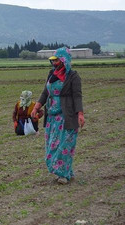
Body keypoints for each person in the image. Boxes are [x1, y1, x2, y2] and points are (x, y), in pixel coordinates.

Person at [30, 47, 85, 185]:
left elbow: (77, 97)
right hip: (52, 117)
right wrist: (37, 106)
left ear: (63, 60)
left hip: (67, 116)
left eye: (56, 60)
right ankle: (66, 172)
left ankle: (63, 175)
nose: (54, 63)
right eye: (52, 60)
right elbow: (45, 93)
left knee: (64, 145)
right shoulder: (51, 75)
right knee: (52, 145)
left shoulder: (73, 77)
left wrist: (80, 114)